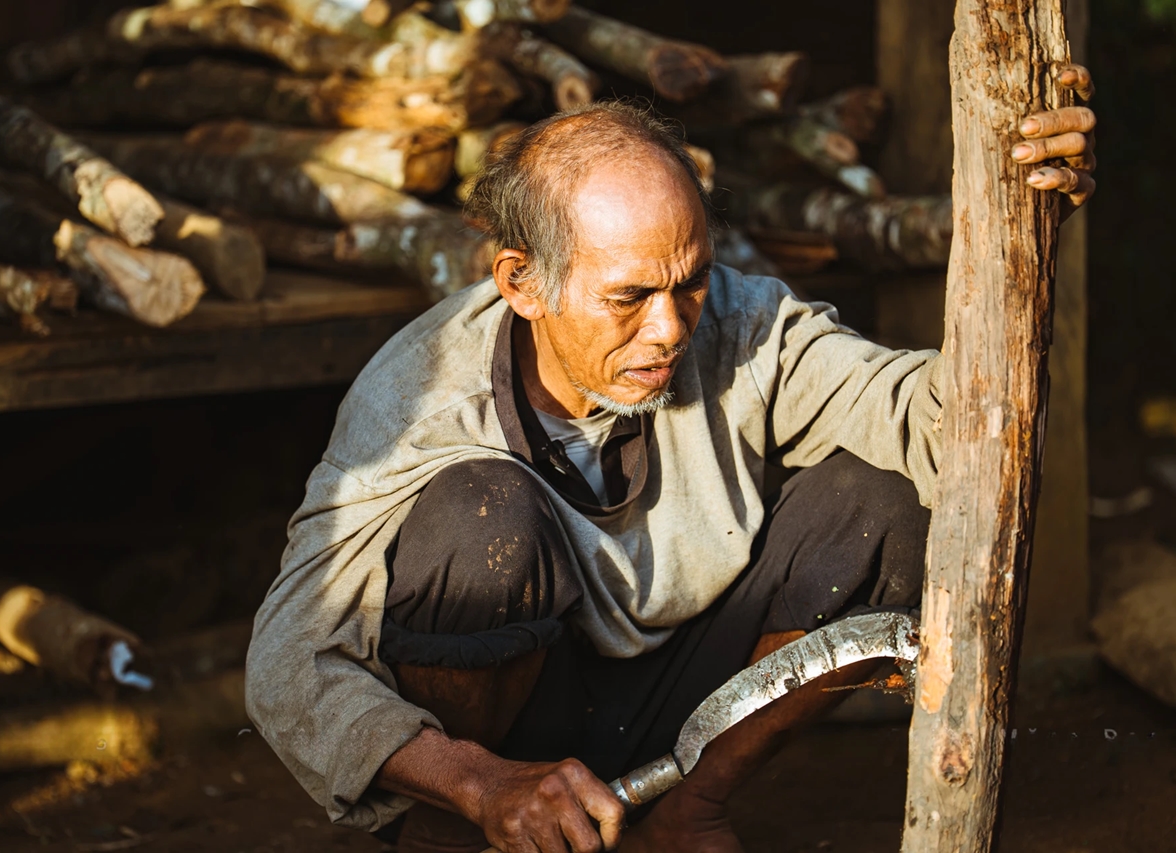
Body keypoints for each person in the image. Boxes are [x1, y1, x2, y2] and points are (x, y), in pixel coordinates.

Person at [246, 67, 1098, 853]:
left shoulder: (740, 321)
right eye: (628, 297)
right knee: (478, 516)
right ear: (521, 283)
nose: (669, 327)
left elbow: (936, 424)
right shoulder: (415, 400)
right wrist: (481, 783)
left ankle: (690, 806)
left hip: (682, 700)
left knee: (886, 496)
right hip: (505, 741)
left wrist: (1018, 224)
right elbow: (288, 667)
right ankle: (469, 838)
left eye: (688, 280)